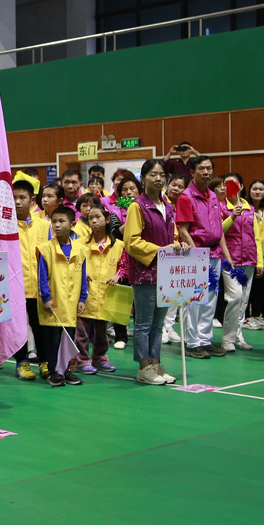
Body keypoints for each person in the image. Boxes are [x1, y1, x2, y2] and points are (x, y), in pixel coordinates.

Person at [124, 159, 179, 385]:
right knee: (144, 323)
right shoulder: (137, 206)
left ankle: (156, 363)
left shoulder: (168, 206)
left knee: (159, 323)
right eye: (153, 174)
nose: (158, 178)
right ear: (143, 178)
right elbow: (131, 242)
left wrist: (178, 245)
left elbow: (172, 235)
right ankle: (143, 367)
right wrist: (160, 250)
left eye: (162, 174)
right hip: (145, 273)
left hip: (165, 272)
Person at [175, 156, 231, 359]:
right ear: (192, 172)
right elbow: (183, 230)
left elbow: (218, 229)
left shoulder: (214, 197)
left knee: (210, 299)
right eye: (202, 168)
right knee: (195, 299)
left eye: (209, 168)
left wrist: (226, 254)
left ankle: (205, 339)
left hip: (215, 253)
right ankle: (192, 342)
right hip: (197, 254)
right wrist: (195, 253)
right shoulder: (186, 197)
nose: (206, 172)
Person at [35, 206, 87, 388]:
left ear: (72, 224)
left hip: (71, 304)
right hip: (53, 304)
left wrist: (82, 298)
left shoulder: (80, 249)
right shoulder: (45, 249)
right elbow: (41, 276)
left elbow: (83, 275)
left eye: (61, 221)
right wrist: (46, 297)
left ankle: (65, 370)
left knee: (68, 339)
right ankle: (52, 371)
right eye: (53, 221)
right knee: (52, 340)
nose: (56, 225)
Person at [73, 205, 123, 375]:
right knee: (82, 331)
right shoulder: (79, 244)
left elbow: (125, 266)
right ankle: (82, 360)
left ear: (107, 219)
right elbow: (73, 263)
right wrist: (81, 271)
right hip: (85, 294)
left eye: (97, 217)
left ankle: (100, 358)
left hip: (107, 294)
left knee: (102, 331)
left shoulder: (118, 245)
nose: (93, 221)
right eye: (90, 218)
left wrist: (118, 275)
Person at [13, 178, 51, 381]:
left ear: (32, 199)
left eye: (22, 197)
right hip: (16, 288)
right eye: (14, 198)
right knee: (19, 328)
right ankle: (21, 362)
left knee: (41, 327)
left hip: (40, 288)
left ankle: (45, 361)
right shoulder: (6, 228)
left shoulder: (45, 225)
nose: (18, 202)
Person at [220, 173, 255, 353]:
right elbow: (219, 231)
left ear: (241, 186)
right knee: (234, 297)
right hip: (230, 260)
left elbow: (257, 235)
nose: (229, 188)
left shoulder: (251, 209)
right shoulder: (220, 207)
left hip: (249, 258)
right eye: (226, 185)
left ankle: (238, 336)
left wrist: (261, 261)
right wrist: (232, 216)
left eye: (233, 184)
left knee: (244, 301)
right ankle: (227, 339)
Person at [244, 179, 264, 331]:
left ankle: (261, 314)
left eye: (261, 189)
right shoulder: (245, 209)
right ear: (249, 191)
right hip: (250, 254)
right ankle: (250, 316)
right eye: (254, 188)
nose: (257, 192)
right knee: (251, 286)